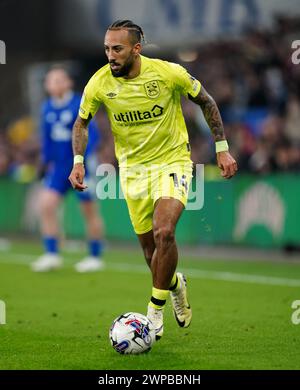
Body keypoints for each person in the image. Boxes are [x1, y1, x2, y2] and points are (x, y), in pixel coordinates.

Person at [69, 20, 237, 338]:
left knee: (165, 232)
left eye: (117, 49)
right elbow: (81, 123)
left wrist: (222, 149)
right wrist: (78, 161)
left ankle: (153, 313)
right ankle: (175, 285)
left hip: (172, 161)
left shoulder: (167, 73)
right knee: (151, 254)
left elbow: (207, 101)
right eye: (106, 49)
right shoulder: (99, 83)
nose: (110, 55)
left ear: (136, 49)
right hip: (132, 172)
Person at [31, 66, 105, 273]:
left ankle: (95, 256)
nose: (54, 84)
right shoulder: (46, 108)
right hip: (59, 168)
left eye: (58, 80)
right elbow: (46, 139)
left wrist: (83, 161)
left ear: (68, 83)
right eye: (50, 80)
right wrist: (45, 163)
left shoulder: (79, 103)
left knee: (89, 211)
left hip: (81, 167)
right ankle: (52, 254)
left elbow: (94, 135)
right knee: (46, 206)